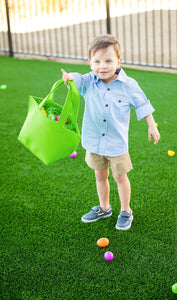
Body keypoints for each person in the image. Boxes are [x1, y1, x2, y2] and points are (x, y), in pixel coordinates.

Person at [61, 34, 160, 230]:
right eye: (97, 61)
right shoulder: (89, 81)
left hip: (116, 143)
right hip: (94, 141)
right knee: (100, 175)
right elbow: (77, 80)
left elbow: (142, 104)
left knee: (120, 177)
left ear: (118, 61)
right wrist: (69, 77)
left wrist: (151, 125)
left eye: (108, 60)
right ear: (90, 63)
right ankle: (104, 208)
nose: (102, 66)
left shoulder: (129, 85)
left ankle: (126, 211)